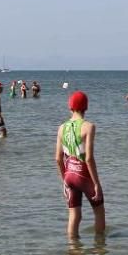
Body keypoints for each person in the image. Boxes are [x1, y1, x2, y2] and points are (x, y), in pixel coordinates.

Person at [55, 91, 105, 239]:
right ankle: (99, 250)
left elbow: (58, 158)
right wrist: (97, 184)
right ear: (86, 107)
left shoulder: (61, 128)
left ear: (70, 107)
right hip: (83, 174)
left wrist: (64, 181)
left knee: (74, 215)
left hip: (69, 174)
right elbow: (88, 158)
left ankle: (73, 252)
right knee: (99, 212)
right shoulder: (89, 127)